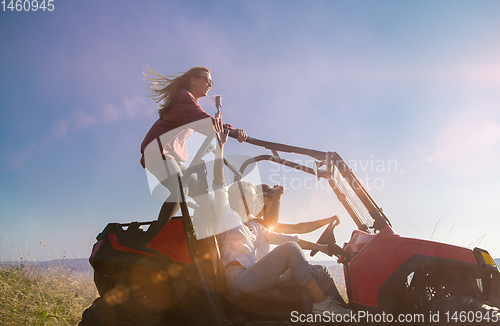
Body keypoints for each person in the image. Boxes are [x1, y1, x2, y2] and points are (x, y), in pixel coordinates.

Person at [213, 128, 350, 315]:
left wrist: (322, 248)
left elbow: (289, 237)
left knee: (320, 270)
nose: (257, 202)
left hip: (256, 275)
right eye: (254, 197)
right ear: (239, 200)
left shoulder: (255, 226)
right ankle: (322, 304)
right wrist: (219, 149)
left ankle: (346, 314)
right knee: (290, 251)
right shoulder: (229, 218)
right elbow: (219, 186)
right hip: (239, 279)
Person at [140, 66, 247, 221]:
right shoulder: (183, 97)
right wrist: (232, 131)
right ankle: (155, 236)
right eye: (207, 79)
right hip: (157, 152)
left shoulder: (189, 102)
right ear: (193, 80)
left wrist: (210, 146)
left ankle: (203, 234)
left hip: (170, 156)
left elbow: (202, 129)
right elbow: (205, 122)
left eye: (212, 81)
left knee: (204, 195)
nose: (210, 84)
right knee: (180, 190)